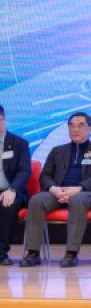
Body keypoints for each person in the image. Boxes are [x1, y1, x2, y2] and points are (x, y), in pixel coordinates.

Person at [20, 112, 91, 268]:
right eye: (72, 126)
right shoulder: (57, 151)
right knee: (36, 201)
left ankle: (71, 253)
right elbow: (45, 175)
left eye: (81, 125)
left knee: (77, 200)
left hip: (85, 193)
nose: (75, 129)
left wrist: (79, 189)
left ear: (90, 128)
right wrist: (54, 189)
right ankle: (33, 253)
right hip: (58, 193)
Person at [0, 105, 31, 266]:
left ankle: (1, 252)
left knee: (8, 204)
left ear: (4, 119)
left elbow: (24, 171)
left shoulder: (19, 143)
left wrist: (12, 189)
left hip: (13, 190)